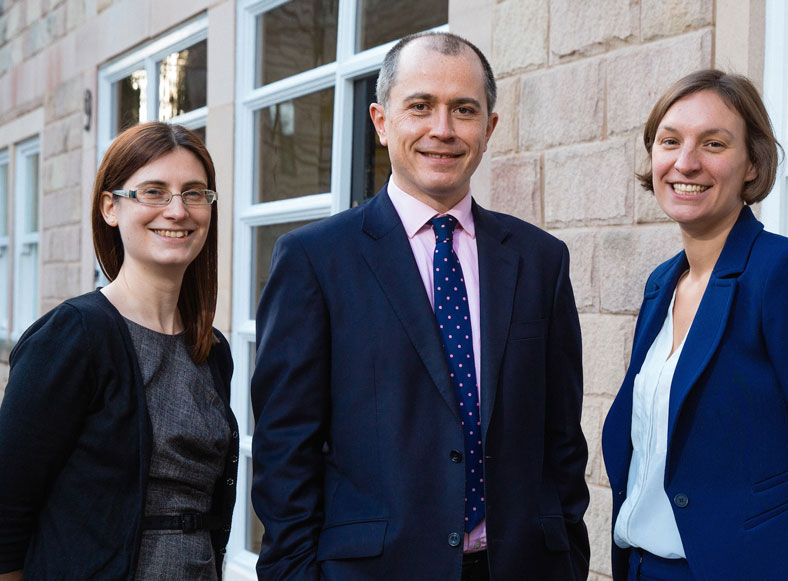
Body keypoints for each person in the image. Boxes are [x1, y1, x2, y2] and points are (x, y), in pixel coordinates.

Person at [250, 32, 590, 581]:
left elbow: (562, 442)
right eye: (420, 106)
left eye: (464, 110)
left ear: (490, 128)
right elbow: (284, 451)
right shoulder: (315, 260)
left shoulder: (541, 260)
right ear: (382, 122)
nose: (443, 129)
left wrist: (568, 559)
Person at [602, 69, 788, 580]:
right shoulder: (663, 283)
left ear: (752, 163)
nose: (686, 162)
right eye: (670, 141)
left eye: (713, 143)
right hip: (643, 568)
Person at [0, 122, 239, 580]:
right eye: (153, 191)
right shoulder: (74, 336)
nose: (177, 210)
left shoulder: (211, 350)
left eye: (194, 193)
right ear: (111, 207)